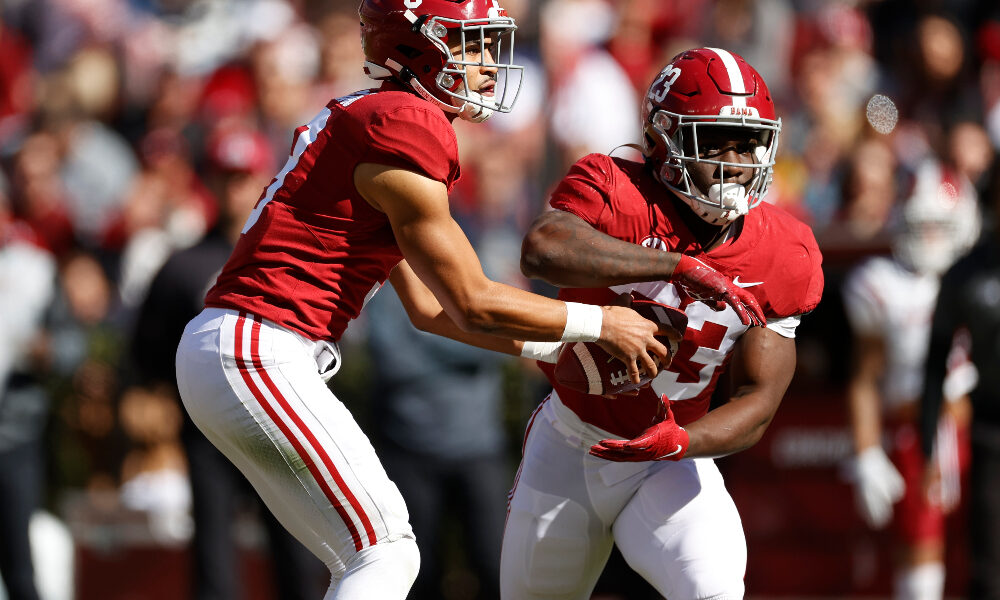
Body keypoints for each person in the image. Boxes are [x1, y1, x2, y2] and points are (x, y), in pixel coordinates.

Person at [174, 3, 762, 599]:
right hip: (260, 347)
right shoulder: (406, 123)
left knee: (366, 555)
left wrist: (556, 352)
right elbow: (474, 299)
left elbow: (431, 311)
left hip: (240, 351)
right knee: (383, 553)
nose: (488, 65)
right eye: (472, 45)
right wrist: (598, 323)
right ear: (415, 46)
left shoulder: (373, 116)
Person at [500, 47, 824, 600]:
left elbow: (758, 403)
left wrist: (679, 441)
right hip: (570, 441)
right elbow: (543, 249)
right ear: (663, 140)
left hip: (668, 458)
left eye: (749, 143)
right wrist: (675, 266)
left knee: (713, 590)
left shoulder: (785, 251)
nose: (736, 161)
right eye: (715, 139)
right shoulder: (615, 187)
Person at [130, 125, 326, 599]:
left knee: (299, 553)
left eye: (245, 177)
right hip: (209, 432)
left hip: (279, 424)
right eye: (227, 176)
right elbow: (148, 352)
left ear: (264, 177)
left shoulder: (292, 255)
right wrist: (158, 401)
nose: (237, 188)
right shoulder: (183, 265)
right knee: (215, 560)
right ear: (212, 182)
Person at [842, 159, 980, 600]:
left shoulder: (979, 279)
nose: (931, 236)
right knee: (920, 551)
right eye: (923, 224)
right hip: (914, 430)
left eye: (941, 224)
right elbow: (865, 376)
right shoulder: (882, 283)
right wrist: (865, 452)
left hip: (978, 428)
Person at [920, 167, 1000, 600]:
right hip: (991, 431)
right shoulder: (966, 275)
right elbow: (934, 364)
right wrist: (928, 444)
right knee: (989, 566)